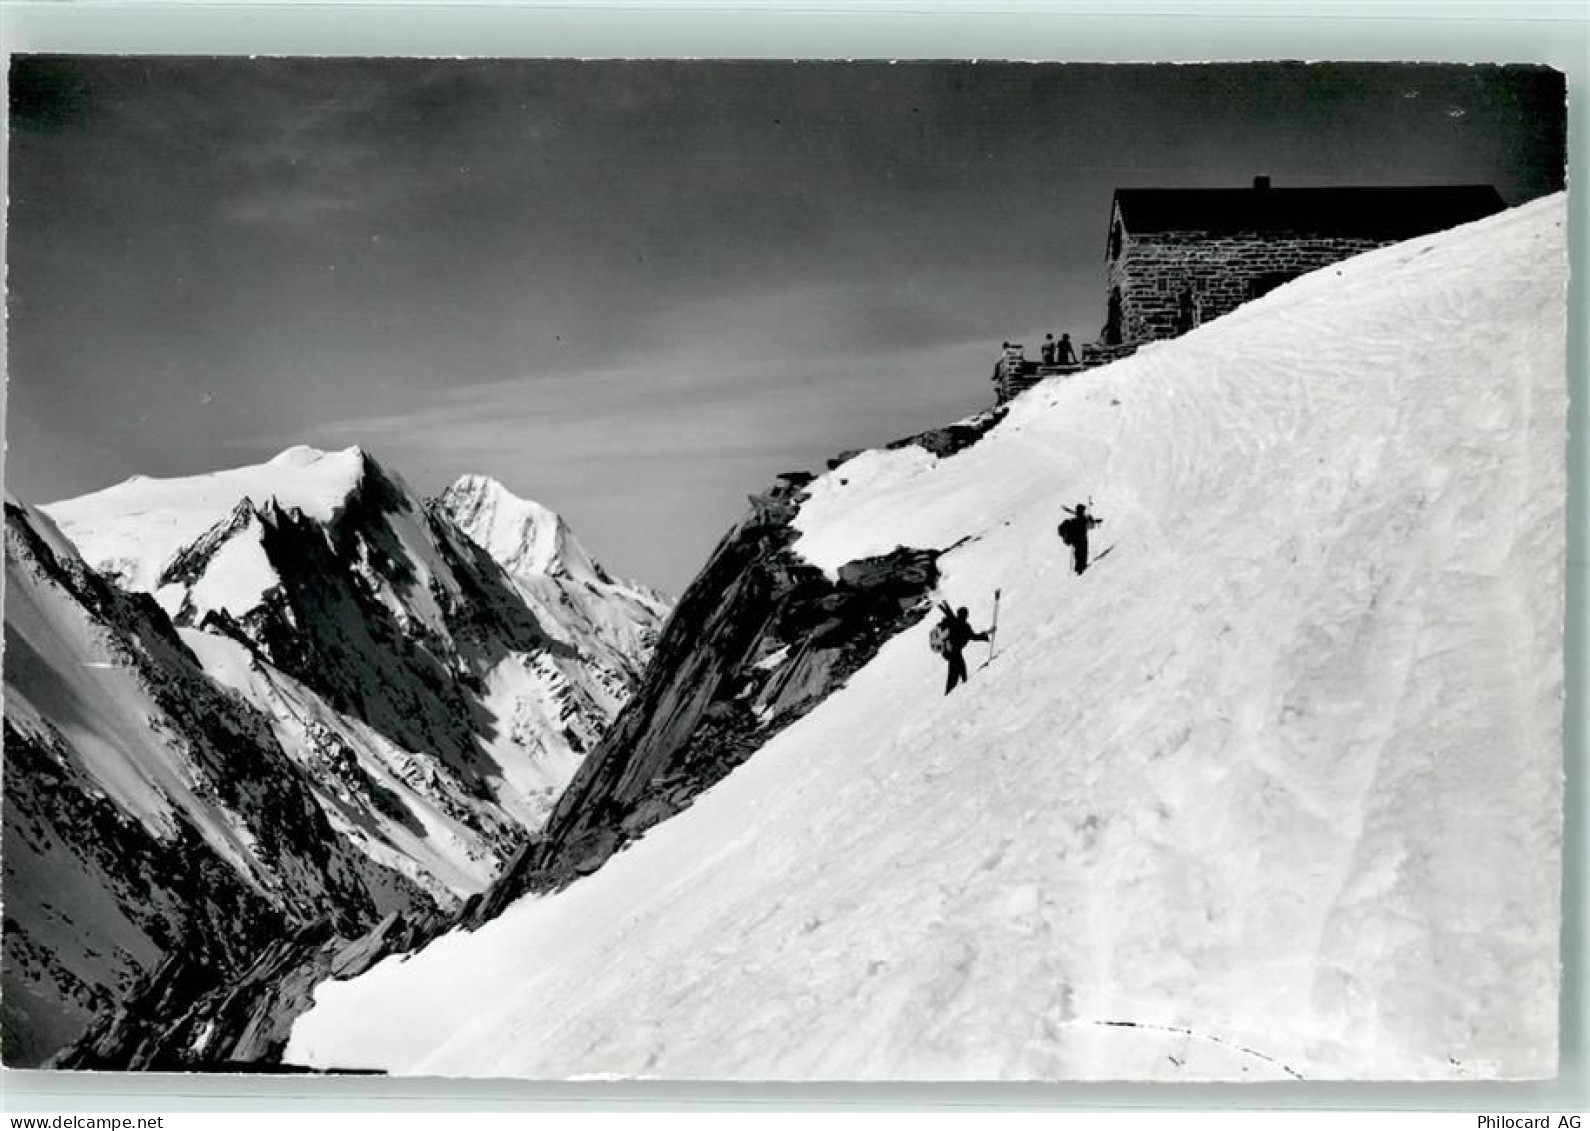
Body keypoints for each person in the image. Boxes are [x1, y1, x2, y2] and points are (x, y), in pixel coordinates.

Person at [936, 603, 990, 695]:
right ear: (966, 615)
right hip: (953, 653)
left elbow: (948, 612)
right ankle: (950, 694)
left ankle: (953, 691)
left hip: (952, 653)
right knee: (956, 674)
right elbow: (974, 637)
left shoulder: (956, 622)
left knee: (958, 673)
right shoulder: (964, 626)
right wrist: (984, 637)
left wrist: (942, 604)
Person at [1058, 502, 1102, 574]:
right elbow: (1091, 526)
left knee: (1078, 554)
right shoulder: (1083, 520)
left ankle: (1078, 569)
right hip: (1082, 540)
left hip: (1075, 541)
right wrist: (1093, 520)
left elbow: (1089, 525)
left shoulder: (1073, 520)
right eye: (1083, 510)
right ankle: (1080, 570)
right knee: (1082, 554)